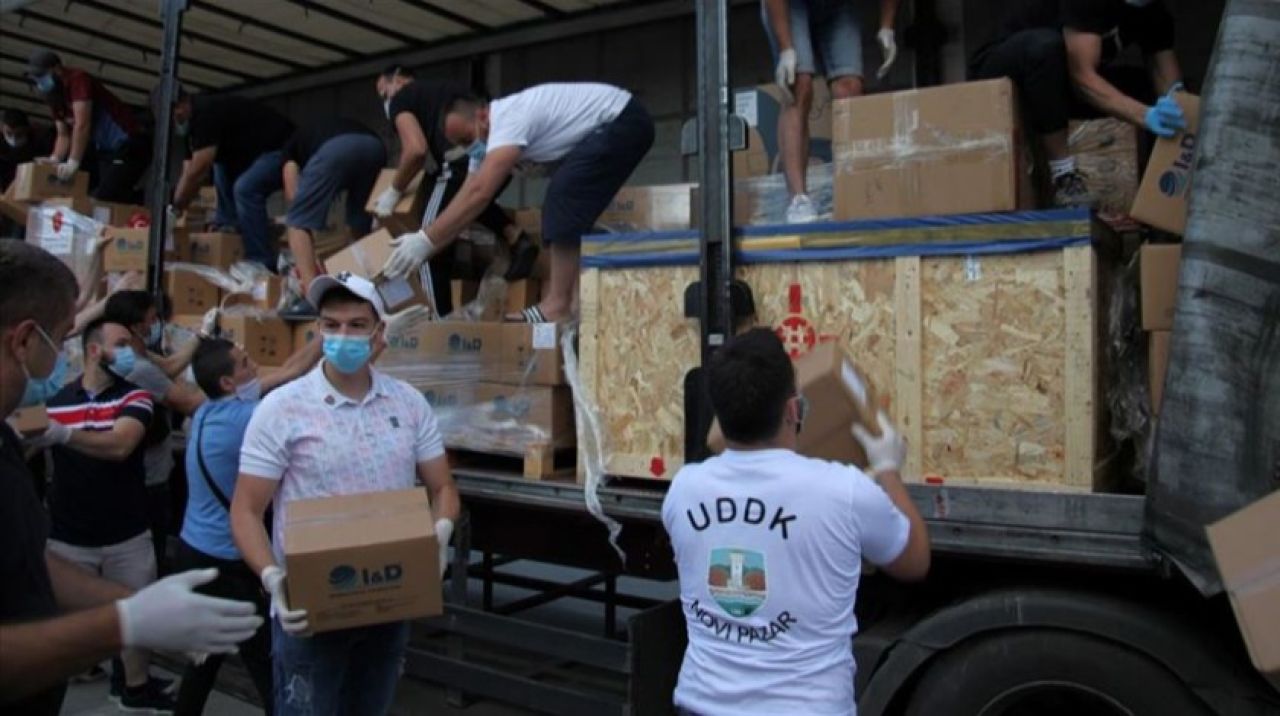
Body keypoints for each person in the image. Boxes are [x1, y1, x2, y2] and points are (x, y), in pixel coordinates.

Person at [0, 240, 261, 715]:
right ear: (22, 341)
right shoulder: (48, 408)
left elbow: (27, 558)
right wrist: (124, 622)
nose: (66, 356)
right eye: (61, 338)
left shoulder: (8, 437)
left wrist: (141, 602)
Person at [661, 328, 931, 715]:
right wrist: (888, 468)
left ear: (720, 416)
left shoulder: (683, 490)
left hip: (700, 704)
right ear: (793, 410)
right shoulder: (844, 490)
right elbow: (915, 561)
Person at [230, 272, 460, 716]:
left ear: (378, 331)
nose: (342, 336)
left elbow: (442, 485)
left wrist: (441, 532)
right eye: (331, 325)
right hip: (311, 608)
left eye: (356, 325)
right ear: (317, 329)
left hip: (388, 601)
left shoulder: (408, 404)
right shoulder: (282, 408)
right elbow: (246, 510)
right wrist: (272, 577)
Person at [383, 83, 654, 324]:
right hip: (611, 126)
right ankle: (572, 301)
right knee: (568, 202)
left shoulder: (508, 117)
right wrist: (424, 244)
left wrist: (426, 239)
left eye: (467, 139)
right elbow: (467, 200)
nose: (468, 150)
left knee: (563, 195)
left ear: (482, 115)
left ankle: (557, 304)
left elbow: (481, 193)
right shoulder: (485, 143)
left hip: (623, 120)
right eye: (460, 145)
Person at [174, 330, 322, 715]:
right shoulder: (249, 417)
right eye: (245, 363)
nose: (254, 365)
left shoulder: (211, 408)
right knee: (266, 658)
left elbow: (290, 369)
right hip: (227, 559)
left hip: (196, 549)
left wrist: (325, 334)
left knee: (208, 653)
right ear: (227, 381)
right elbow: (304, 402)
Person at [969, 0, 1186, 207]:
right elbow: (1083, 81)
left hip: (1057, 84)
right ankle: (1064, 176)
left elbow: (1167, 80)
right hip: (1004, 76)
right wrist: (1145, 115)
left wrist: (1183, 117)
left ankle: (1160, 203)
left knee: (1146, 89)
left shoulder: (1153, 11)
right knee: (1045, 47)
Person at [374, 66, 538, 314]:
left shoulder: (402, 99)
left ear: (397, 78)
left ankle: (435, 324)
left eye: (383, 92)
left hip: (460, 163)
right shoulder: (444, 90)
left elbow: (415, 150)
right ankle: (516, 237)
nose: (385, 101)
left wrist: (395, 190)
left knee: (427, 243)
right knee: (467, 205)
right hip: (498, 159)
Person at [763, 0, 901, 223]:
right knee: (798, 83)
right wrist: (786, 49)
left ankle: (855, 192)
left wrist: (887, 26)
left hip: (839, 7)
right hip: (790, 6)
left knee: (850, 88)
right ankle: (798, 200)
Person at [103, 291, 209, 575]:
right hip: (148, 480)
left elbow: (168, 366)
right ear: (137, 325)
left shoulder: (124, 355)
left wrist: (200, 336)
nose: (156, 325)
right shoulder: (138, 367)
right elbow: (187, 403)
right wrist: (231, 386)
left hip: (129, 476)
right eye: (152, 319)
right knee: (152, 552)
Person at [159, 84, 296, 269]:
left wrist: (175, 208)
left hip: (284, 149)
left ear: (181, 105)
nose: (175, 122)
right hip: (252, 155)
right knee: (221, 164)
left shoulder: (206, 113)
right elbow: (188, 169)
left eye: (173, 116)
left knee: (245, 188)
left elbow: (198, 170)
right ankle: (228, 226)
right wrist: (173, 206)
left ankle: (261, 262)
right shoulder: (192, 127)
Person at [279, 116, 387, 318]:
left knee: (296, 221)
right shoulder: (322, 129)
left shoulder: (289, 149)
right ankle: (366, 288)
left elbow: (293, 195)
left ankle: (313, 298)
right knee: (359, 224)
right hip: (375, 147)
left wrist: (306, 254)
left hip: (337, 150)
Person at [25, 50, 151, 203]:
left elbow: (82, 124)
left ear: (57, 69)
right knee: (109, 199)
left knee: (105, 196)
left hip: (129, 141)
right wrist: (55, 158)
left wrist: (73, 162)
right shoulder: (54, 96)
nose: (39, 82)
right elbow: (63, 134)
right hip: (107, 151)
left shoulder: (78, 80)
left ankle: (154, 206)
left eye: (42, 76)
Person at [1, 108, 54, 193]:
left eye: (19, 134)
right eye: (9, 133)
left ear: (27, 129)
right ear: (2, 128)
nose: (13, 139)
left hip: (33, 180)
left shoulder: (41, 139)